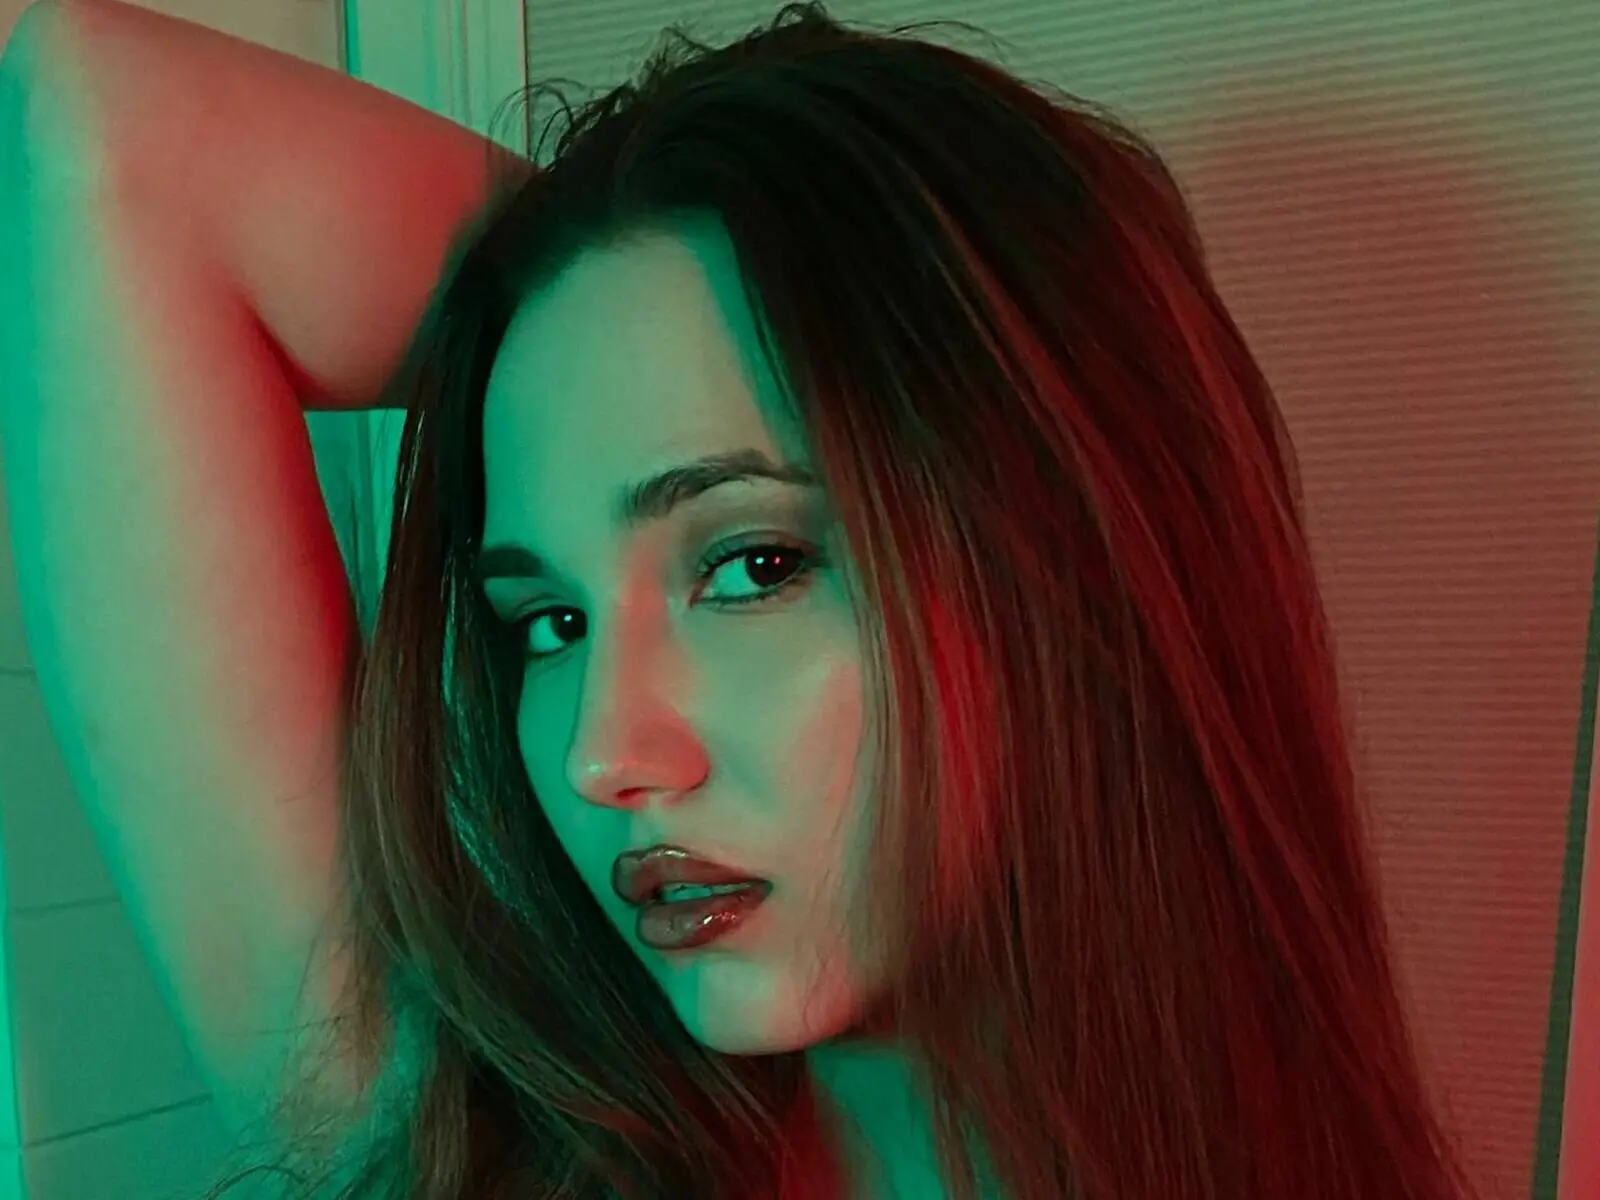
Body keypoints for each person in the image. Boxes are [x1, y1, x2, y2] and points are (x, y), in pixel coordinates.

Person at [0, 1, 1477, 1197]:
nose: (603, 755)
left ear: (1073, 547)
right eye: (550, 621)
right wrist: (592, 261)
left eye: (752, 564)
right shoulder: (455, 1143)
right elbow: (107, 120)